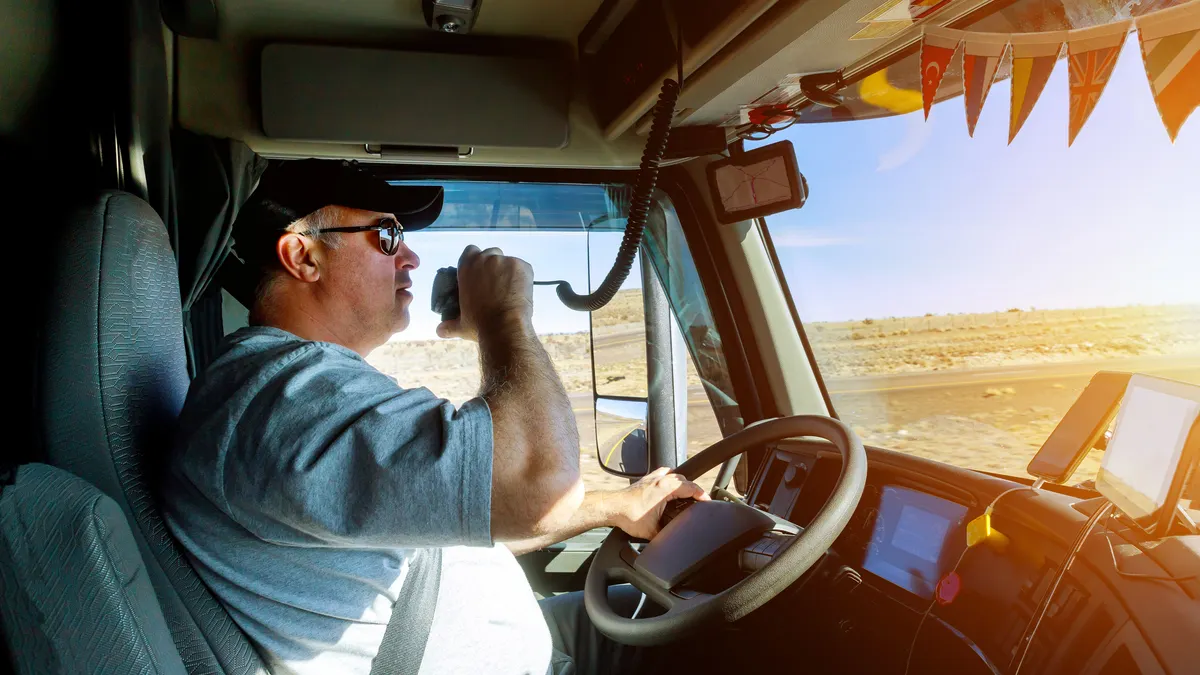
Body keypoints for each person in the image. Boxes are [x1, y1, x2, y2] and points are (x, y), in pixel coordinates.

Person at [161, 160, 710, 675]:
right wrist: (504, 316)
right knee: (730, 629)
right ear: (304, 257)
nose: (413, 259)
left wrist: (616, 506)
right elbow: (542, 485)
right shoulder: (288, 399)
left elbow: (444, 511)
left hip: (523, 647)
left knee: (673, 617)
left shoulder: (291, 396)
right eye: (388, 237)